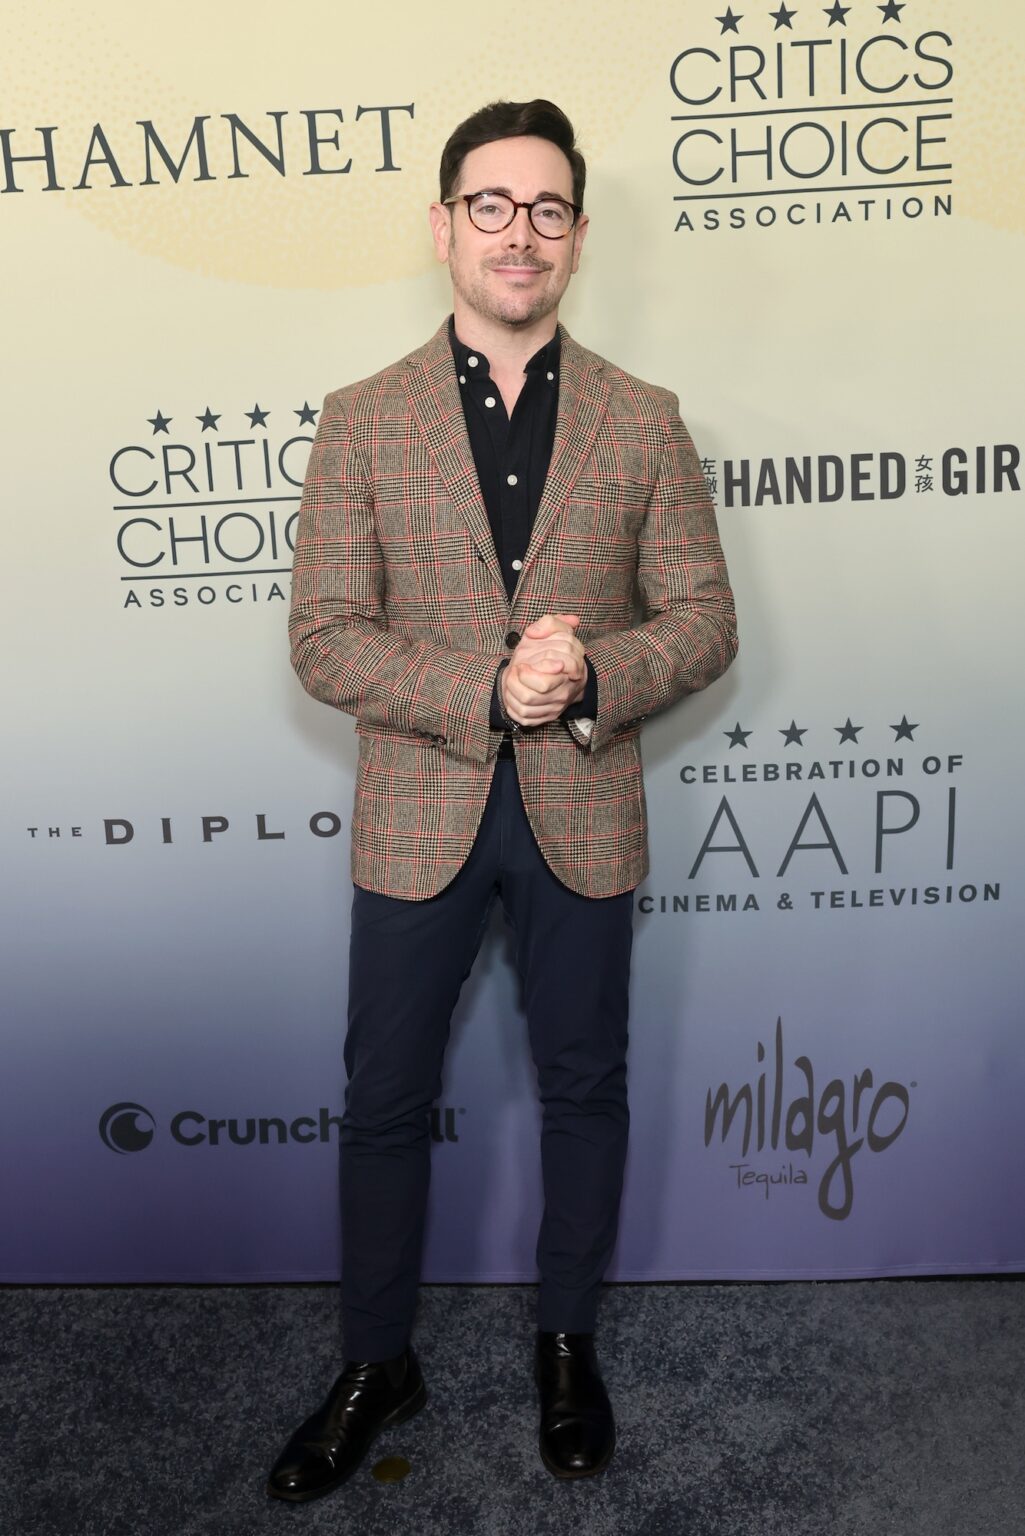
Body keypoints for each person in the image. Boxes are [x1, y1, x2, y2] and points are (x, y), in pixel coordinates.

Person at [267, 97, 737, 1503]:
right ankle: (374, 1359)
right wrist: (487, 689)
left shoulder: (645, 421)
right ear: (442, 225)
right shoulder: (361, 422)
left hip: (583, 811)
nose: (515, 232)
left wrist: (593, 668)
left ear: (578, 238)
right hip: (420, 812)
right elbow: (325, 635)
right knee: (384, 1101)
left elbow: (704, 623)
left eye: (544, 209)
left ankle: (564, 1342)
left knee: (585, 1090)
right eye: (489, 204)